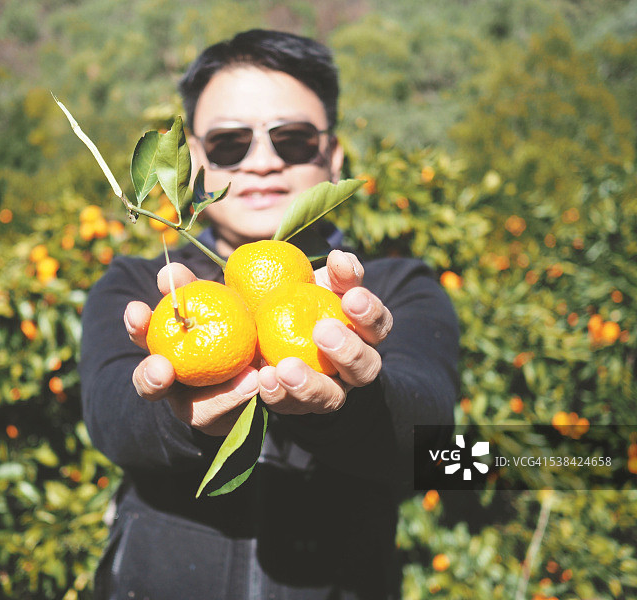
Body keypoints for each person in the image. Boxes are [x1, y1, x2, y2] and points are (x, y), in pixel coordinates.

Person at [80, 29, 459, 600]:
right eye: (230, 143)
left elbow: (437, 447)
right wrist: (181, 412)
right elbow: (109, 420)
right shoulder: (151, 289)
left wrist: (354, 401)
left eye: (294, 140)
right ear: (195, 162)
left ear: (333, 154)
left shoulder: (392, 287)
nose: (262, 161)